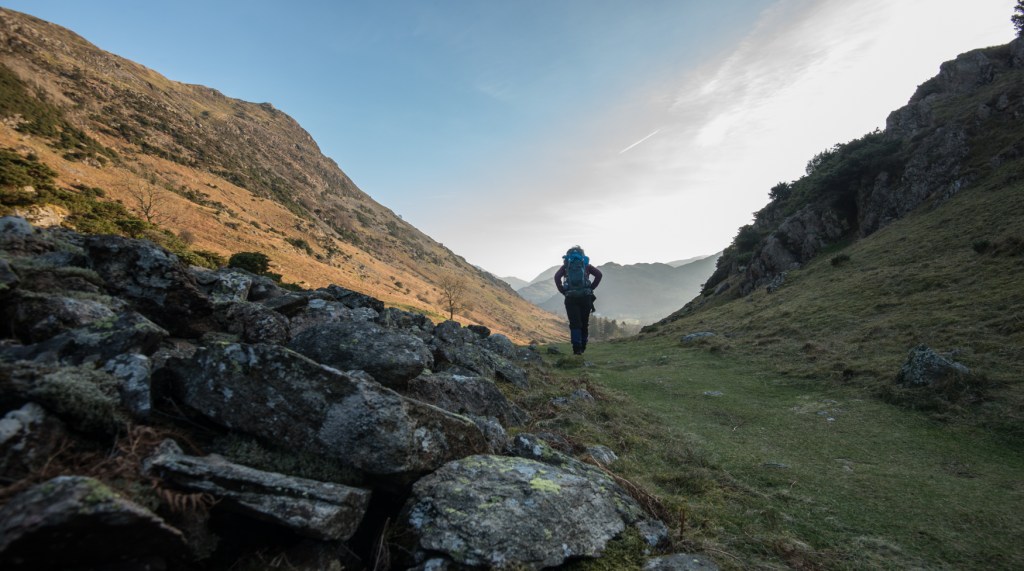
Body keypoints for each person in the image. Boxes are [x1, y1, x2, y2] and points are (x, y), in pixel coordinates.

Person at [553, 245, 602, 355]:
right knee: (584, 323)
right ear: (582, 255)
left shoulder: (566, 266)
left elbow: (556, 277)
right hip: (586, 297)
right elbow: (599, 275)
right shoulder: (585, 265)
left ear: (568, 256)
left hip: (571, 298)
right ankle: (583, 346)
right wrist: (591, 288)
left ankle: (577, 349)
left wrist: (563, 291)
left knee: (575, 324)